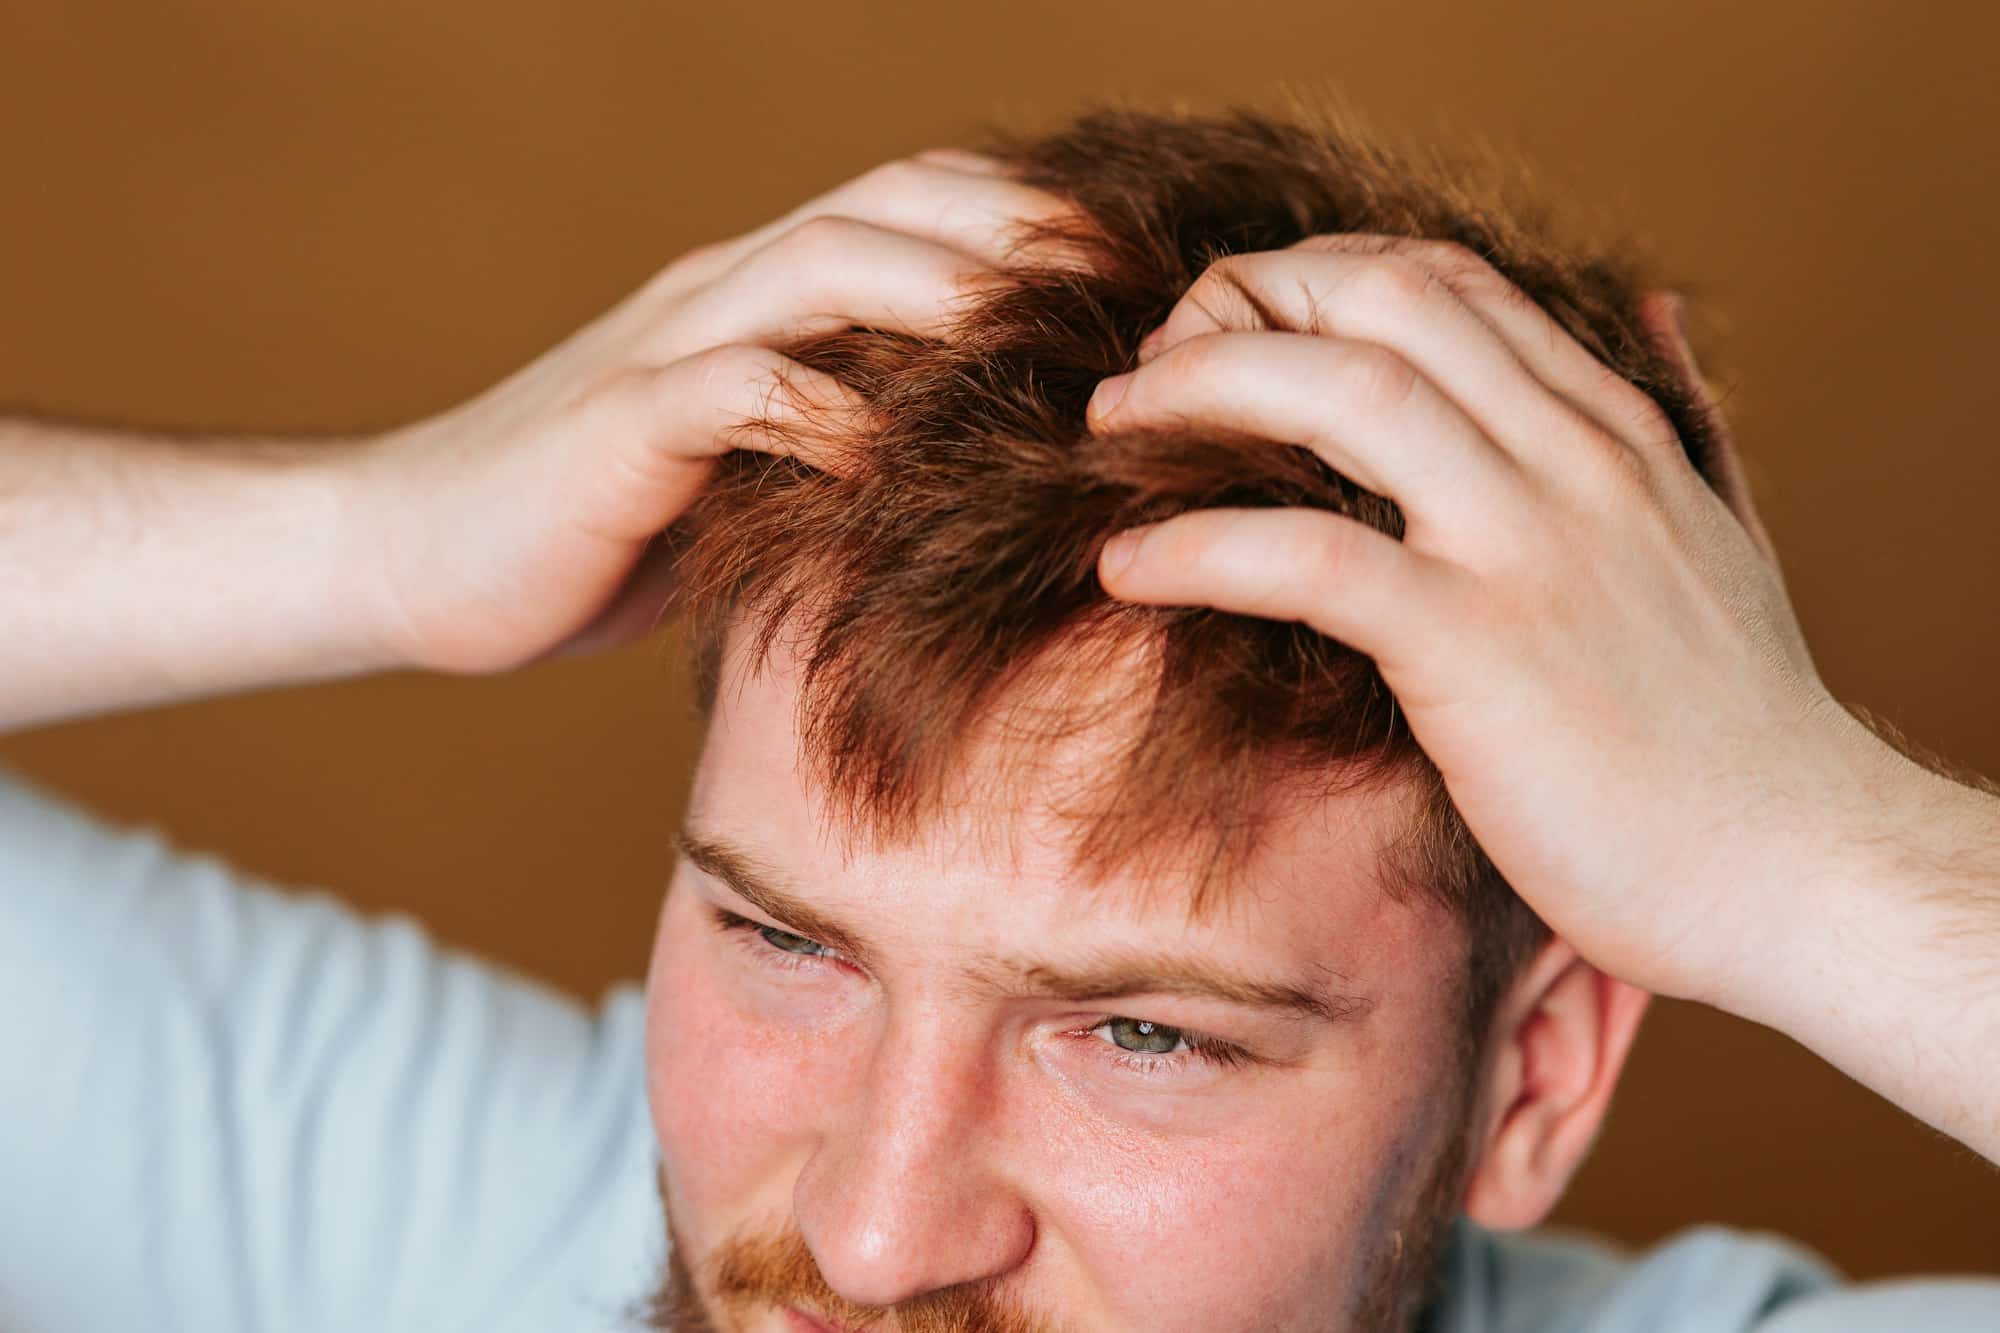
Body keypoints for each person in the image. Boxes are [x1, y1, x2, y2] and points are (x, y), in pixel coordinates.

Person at [0, 107, 1993, 1333]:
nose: (869, 1240)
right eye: (785, 942)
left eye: (1141, 1032)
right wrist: (362, 534)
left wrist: (1800, 859)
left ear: (1531, 1077)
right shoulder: (441, 1227)